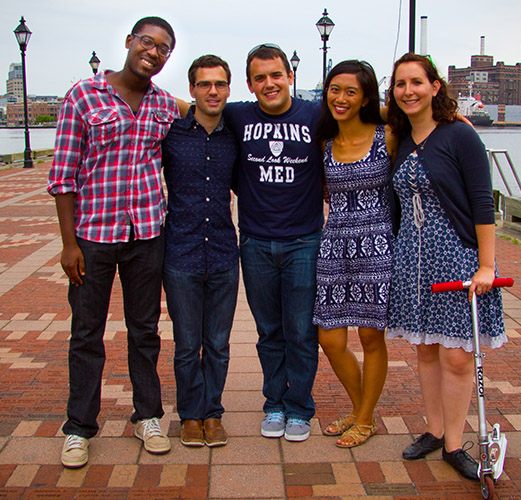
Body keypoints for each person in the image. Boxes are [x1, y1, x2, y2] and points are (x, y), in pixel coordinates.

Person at [47, 16, 191, 467]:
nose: (153, 52)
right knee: (86, 333)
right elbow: (63, 175)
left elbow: (211, 112)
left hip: (147, 234)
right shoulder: (83, 96)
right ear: (129, 42)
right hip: (92, 237)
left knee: (144, 330)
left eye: (164, 48)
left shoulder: (165, 105)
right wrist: (68, 244)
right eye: (147, 42)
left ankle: (147, 416)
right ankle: (79, 427)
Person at [384, 53, 507, 480]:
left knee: (457, 356)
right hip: (411, 258)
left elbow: (481, 204)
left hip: (455, 255)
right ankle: (434, 430)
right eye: (400, 84)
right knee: (426, 350)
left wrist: (487, 265)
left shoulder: (459, 136)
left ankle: (455, 443)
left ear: (435, 86)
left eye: (417, 82)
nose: (408, 91)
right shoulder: (397, 137)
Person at [222, 44, 323, 442]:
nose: (269, 83)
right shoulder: (238, 116)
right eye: (260, 77)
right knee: (269, 332)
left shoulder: (315, 114)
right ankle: (274, 404)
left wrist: (445, 116)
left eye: (276, 75)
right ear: (249, 84)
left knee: (300, 331)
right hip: (256, 242)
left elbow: (368, 115)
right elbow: (188, 105)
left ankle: (299, 408)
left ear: (290, 76)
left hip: (304, 242)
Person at [312, 60, 395, 448]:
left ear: (366, 97)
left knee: (370, 337)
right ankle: (363, 409)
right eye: (334, 89)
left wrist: (458, 119)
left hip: (377, 244)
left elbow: (428, 125)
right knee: (330, 339)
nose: (341, 98)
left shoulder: (387, 135)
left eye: (351, 91)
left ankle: (363, 418)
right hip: (335, 244)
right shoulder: (324, 142)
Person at [161, 55, 238, 448]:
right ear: (191, 89)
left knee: (219, 345)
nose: (213, 91)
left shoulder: (235, 135)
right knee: (188, 344)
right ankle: (190, 415)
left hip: (224, 253)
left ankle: (213, 413)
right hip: (181, 253)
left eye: (220, 84)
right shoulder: (172, 133)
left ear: (229, 88)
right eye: (204, 84)